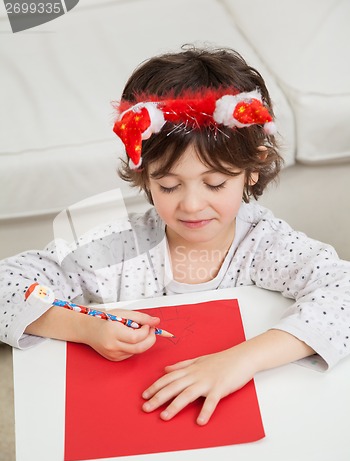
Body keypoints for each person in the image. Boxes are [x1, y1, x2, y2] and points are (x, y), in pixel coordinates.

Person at [1, 46, 349, 425]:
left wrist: (243, 359)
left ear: (253, 169)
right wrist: (84, 326)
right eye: (168, 186)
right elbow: (6, 285)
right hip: (134, 418)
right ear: (144, 177)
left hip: (253, 413)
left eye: (215, 183)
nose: (192, 206)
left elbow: (343, 294)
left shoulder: (264, 243)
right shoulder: (118, 246)